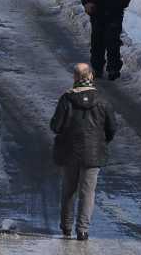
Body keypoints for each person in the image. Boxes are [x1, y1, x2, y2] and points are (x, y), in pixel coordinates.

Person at [49, 63, 117, 241]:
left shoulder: (66, 99)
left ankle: (66, 226)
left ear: (74, 78)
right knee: (88, 192)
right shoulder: (102, 100)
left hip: (69, 151)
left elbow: (55, 126)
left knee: (69, 190)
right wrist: (102, 142)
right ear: (91, 77)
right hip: (93, 154)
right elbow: (112, 127)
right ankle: (83, 230)